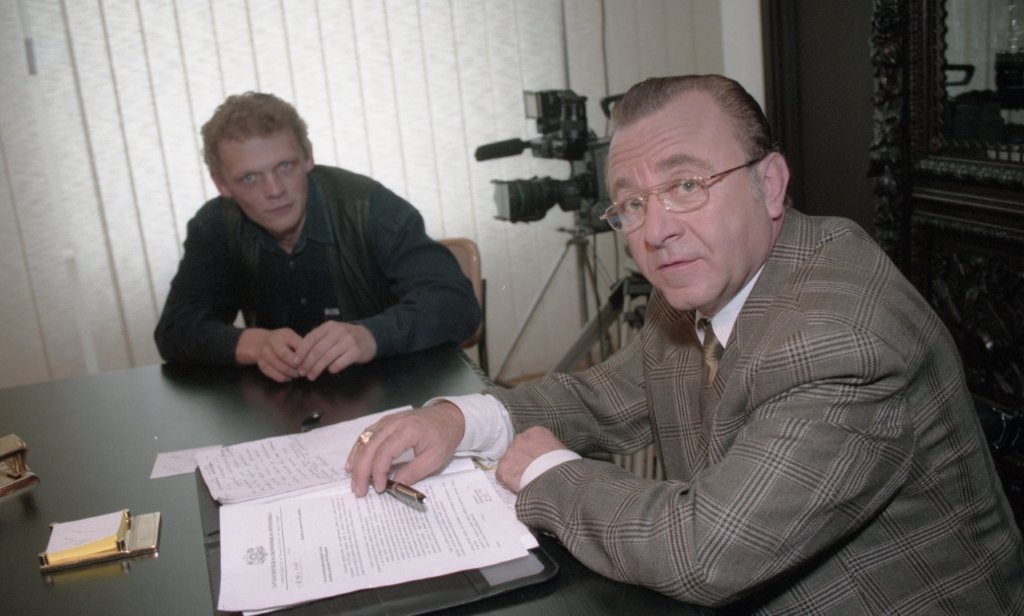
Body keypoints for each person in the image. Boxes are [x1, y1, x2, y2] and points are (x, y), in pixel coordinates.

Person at [345, 75, 1024, 612]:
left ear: (770, 183)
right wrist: (459, 419)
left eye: (687, 185)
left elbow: (706, 553)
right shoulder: (704, 283)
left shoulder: (841, 338)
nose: (655, 230)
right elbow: (601, 395)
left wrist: (547, 473)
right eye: (632, 203)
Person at [155, 92, 480, 382]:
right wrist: (254, 343)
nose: (274, 190)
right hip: (283, 411)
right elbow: (174, 330)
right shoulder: (215, 226)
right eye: (250, 178)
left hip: (397, 392)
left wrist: (370, 335)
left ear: (308, 156)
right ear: (221, 184)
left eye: (285, 166)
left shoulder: (370, 208)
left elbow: (457, 305)